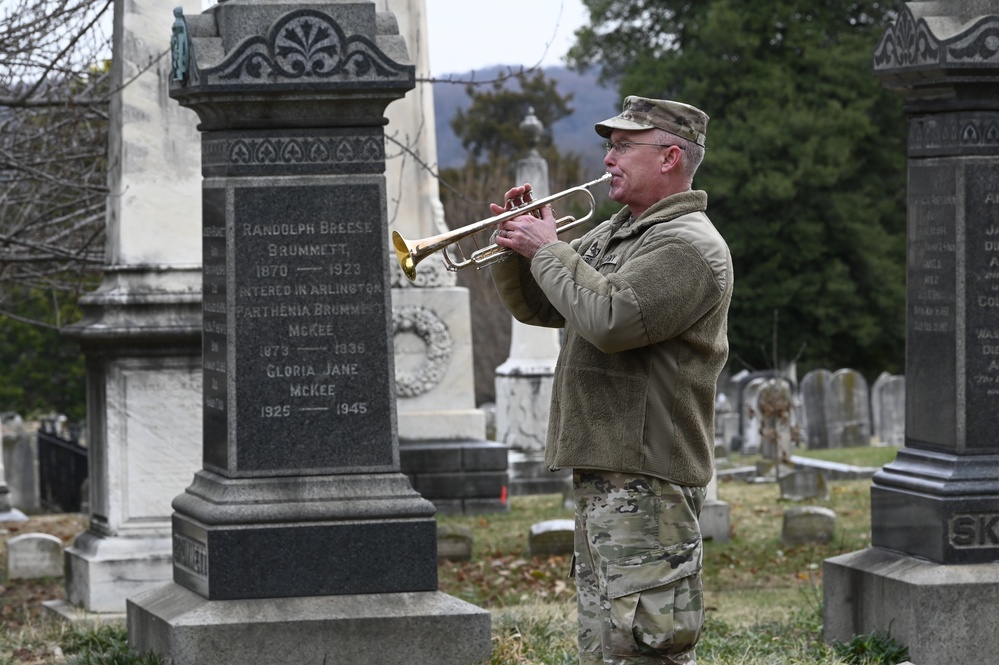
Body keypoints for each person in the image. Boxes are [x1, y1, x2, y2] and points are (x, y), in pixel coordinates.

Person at [489, 96, 733, 665]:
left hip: (647, 473)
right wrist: (517, 247)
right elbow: (549, 307)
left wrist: (547, 249)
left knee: (649, 647)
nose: (608, 158)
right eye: (609, 145)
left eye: (624, 146)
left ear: (670, 156)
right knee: (607, 646)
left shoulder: (688, 247)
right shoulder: (618, 233)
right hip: (612, 470)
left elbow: (611, 321)